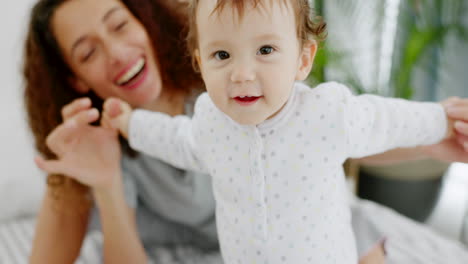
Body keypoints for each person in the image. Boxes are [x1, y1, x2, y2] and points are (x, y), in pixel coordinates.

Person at [24, 0, 468, 263]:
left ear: (303, 59)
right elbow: (175, 138)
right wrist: (126, 126)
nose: (241, 73)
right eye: (221, 56)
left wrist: (439, 122)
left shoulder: (313, 105)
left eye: (119, 25)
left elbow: (374, 124)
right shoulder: (208, 121)